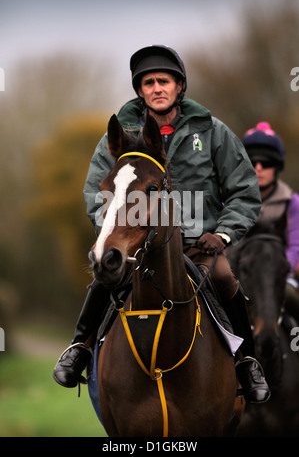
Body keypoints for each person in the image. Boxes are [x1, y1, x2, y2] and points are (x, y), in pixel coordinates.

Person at [53, 45, 270, 403]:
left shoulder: (213, 133)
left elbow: (245, 191)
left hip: (199, 246)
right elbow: (97, 191)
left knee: (223, 278)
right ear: (140, 90)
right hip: (136, 244)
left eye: (164, 81)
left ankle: (247, 361)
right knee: (104, 276)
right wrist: (113, 235)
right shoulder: (118, 136)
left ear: (179, 86)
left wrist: (224, 233)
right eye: (149, 82)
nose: (157, 88)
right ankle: (78, 347)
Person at [242, 122, 299, 324]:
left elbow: (294, 246)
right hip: (240, 275)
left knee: (292, 298)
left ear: (276, 166)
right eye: (253, 161)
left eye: (266, 162)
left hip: (278, 276)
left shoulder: (291, 202)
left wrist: (280, 272)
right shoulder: (230, 201)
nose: (259, 168)